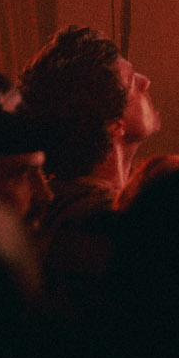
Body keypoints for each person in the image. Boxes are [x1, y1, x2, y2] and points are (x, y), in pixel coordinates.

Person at [16, 27, 159, 234]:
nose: (145, 82)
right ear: (113, 124)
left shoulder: (52, 205)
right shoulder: (112, 222)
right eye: (131, 82)